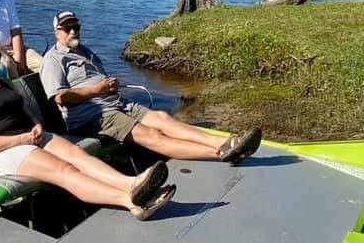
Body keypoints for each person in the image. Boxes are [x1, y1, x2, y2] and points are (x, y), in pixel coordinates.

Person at [0, 36, 175, 221]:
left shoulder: (6, 83)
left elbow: (24, 111)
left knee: (78, 155)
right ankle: (130, 201)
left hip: (32, 137)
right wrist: (23, 139)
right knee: (65, 170)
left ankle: (132, 183)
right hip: (6, 152)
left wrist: (36, 124)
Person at [40, 11, 262, 163]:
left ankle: (228, 141)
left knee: (162, 118)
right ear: (57, 32)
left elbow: (97, 81)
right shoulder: (53, 59)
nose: (73, 31)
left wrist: (110, 86)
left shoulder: (85, 51)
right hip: (93, 115)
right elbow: (60, 97)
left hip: (117, 104)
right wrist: (97, 90)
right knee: (150, 134)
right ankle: (220, 153)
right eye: (67, 28)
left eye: (76, 26)